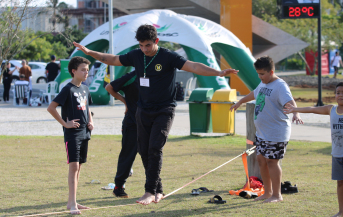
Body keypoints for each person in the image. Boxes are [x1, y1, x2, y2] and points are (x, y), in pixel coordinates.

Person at [73, 24, 238, 205]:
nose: (144, 49)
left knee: (154, 148)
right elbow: (111, 59)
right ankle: (158, 189)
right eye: (141, 45)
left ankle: (149, 191)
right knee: (144, 151)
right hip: (142, 110)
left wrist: (218, 72)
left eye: (148, 45)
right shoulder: (137, 55)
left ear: (156, 41)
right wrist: (89, 52)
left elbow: (194, 66)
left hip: (164, 109)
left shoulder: (168, 56)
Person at [230, 55, 302, 203]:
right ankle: (267, 192)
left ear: (271, 71)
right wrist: (240, 102)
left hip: (276, 132)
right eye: (258, 73)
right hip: (262, 133)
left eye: (262, 74)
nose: (260, 76)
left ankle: (277, 195)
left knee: (272, 162)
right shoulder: (263, 84)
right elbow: (254, 93)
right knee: (261, 160)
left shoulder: (280, 86)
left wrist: (296, 113)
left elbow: (290, 101)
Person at [284, 82, 343, 217]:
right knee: (340, 184)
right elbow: (312, 109)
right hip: (337, 155)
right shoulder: (331, 109)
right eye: (338, 92)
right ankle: (341, 212)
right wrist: (295, 110)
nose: (340, 95)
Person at [47, 56, 94, 215]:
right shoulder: (68, 89)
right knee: (73, 167)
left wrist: (91, 121)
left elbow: (87, 108)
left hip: (85, 133)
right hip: (72, 134)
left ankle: (72, 201)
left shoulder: (85, 88)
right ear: (73, 71)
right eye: (82, 70)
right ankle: (72, 204)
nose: (86, 73)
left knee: (79, 167)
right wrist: (65, 123)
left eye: (87, 70)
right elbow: (51, 108)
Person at [105, 70, 139, 198]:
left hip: (149, 122)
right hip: (132, 122)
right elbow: (109, 87)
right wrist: (125, 102)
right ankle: (119, 186)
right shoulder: (132, 76)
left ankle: (154, 187)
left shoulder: (156, 74)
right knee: (128, 154)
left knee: (151, 154)